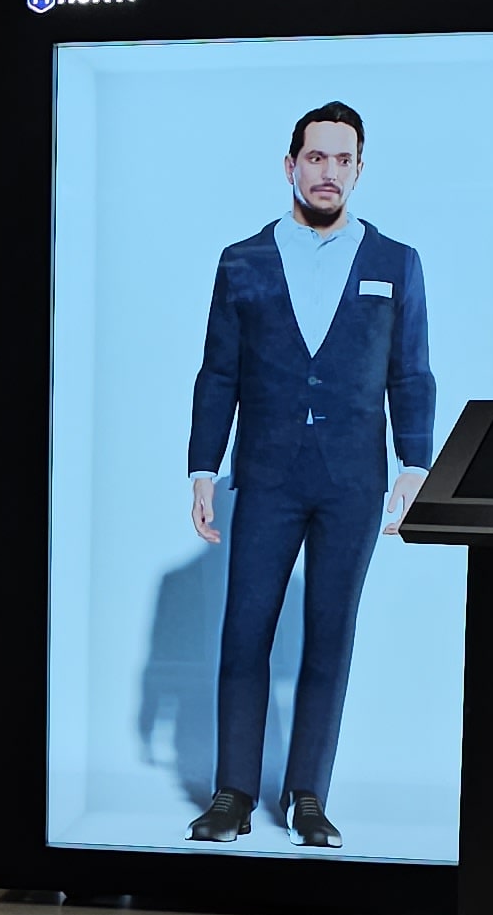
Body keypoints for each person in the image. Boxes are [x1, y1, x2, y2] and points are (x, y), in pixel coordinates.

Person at [185, 100, 435, 847]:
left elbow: (411, 372)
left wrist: (414, 463)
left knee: (332, 633)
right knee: (245, 631)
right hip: (265, 476)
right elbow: (217, 371)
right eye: (316, 157)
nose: (329, 172)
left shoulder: (396, 262)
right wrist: (204, 466)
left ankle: (307, 797)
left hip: (353, 480)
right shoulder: (243, 260)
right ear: (290, 164)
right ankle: (232, 791)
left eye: (343, 159)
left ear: (360, 168)